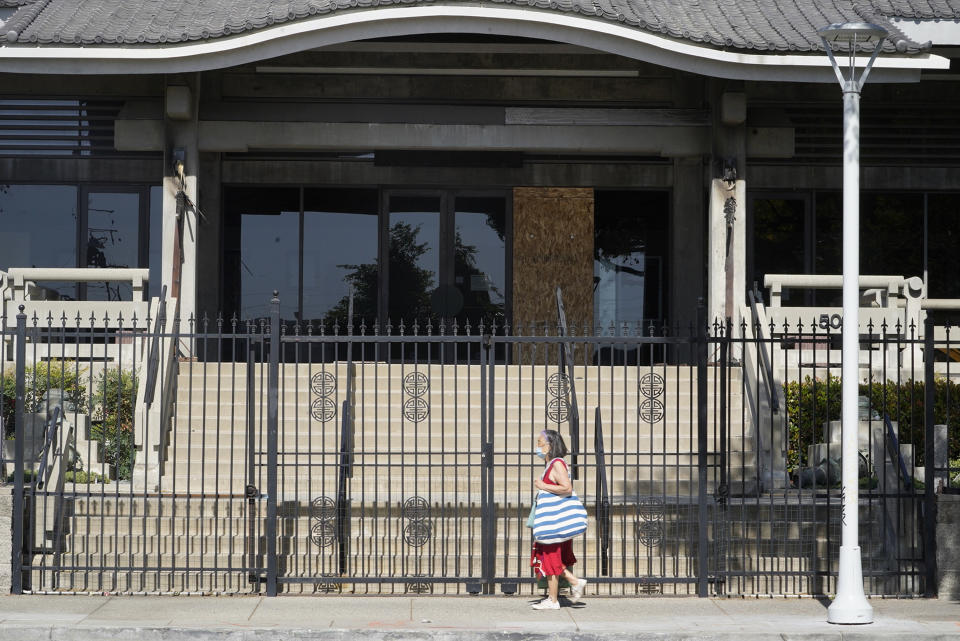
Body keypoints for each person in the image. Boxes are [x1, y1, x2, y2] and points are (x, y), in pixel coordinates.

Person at [530, 429, 588, 610]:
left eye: (540, 443)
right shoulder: (552, 464)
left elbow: (567, 488)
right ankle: (554, 597)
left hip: (554, 522)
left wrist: (542, 485)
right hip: (553, 520)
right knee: (549, 557)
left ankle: (567, 588)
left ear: (550, 445)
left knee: (549, 557)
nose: (537, 447)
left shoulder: (557, 464)